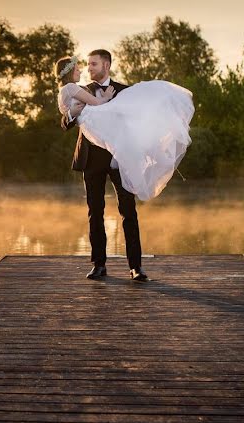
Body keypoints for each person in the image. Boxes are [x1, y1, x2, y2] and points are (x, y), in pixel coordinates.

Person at [57, 49, 194, 280]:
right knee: (95, 212)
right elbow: (65, 123)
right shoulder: (81, 90)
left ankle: (136, 267)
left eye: (94, 64)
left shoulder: (126, 91)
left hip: (121, 159)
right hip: (91, 159)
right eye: (88, 65)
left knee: (128, 211)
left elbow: (139, 124)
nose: (89, 69)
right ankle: (98, 264)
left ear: (106, 66)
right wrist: (71, 113)